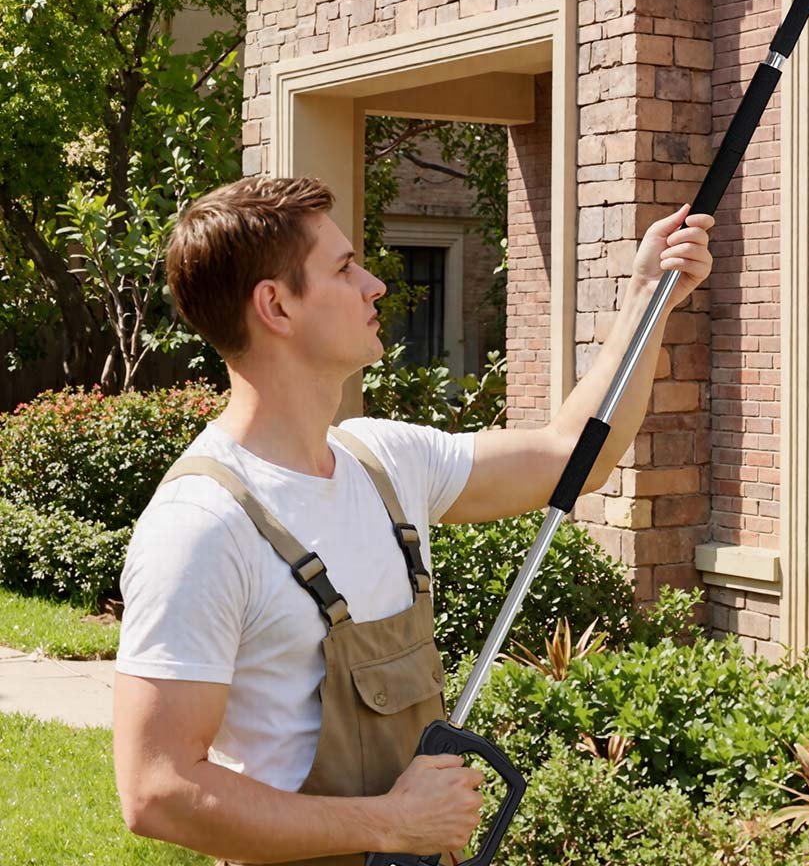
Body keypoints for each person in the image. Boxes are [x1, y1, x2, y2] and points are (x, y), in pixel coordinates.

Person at [112, 174, 713, 865]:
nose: (375, 286)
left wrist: (647, 296)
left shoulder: (384, 461)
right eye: (344, 269)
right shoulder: (204, 525)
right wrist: (389, 826)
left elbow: (572, 454)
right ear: (275, 306)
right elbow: (157, 789)